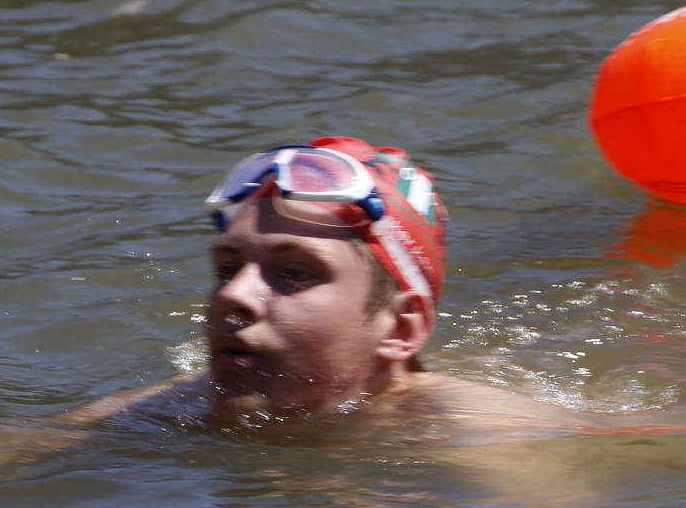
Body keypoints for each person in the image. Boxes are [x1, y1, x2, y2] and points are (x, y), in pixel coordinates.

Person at [56, 135, 602, 445]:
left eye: (295, 273)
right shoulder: (163, 409)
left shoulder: (495, 436)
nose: (234, 296)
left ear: (400, 327)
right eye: (228, 267)